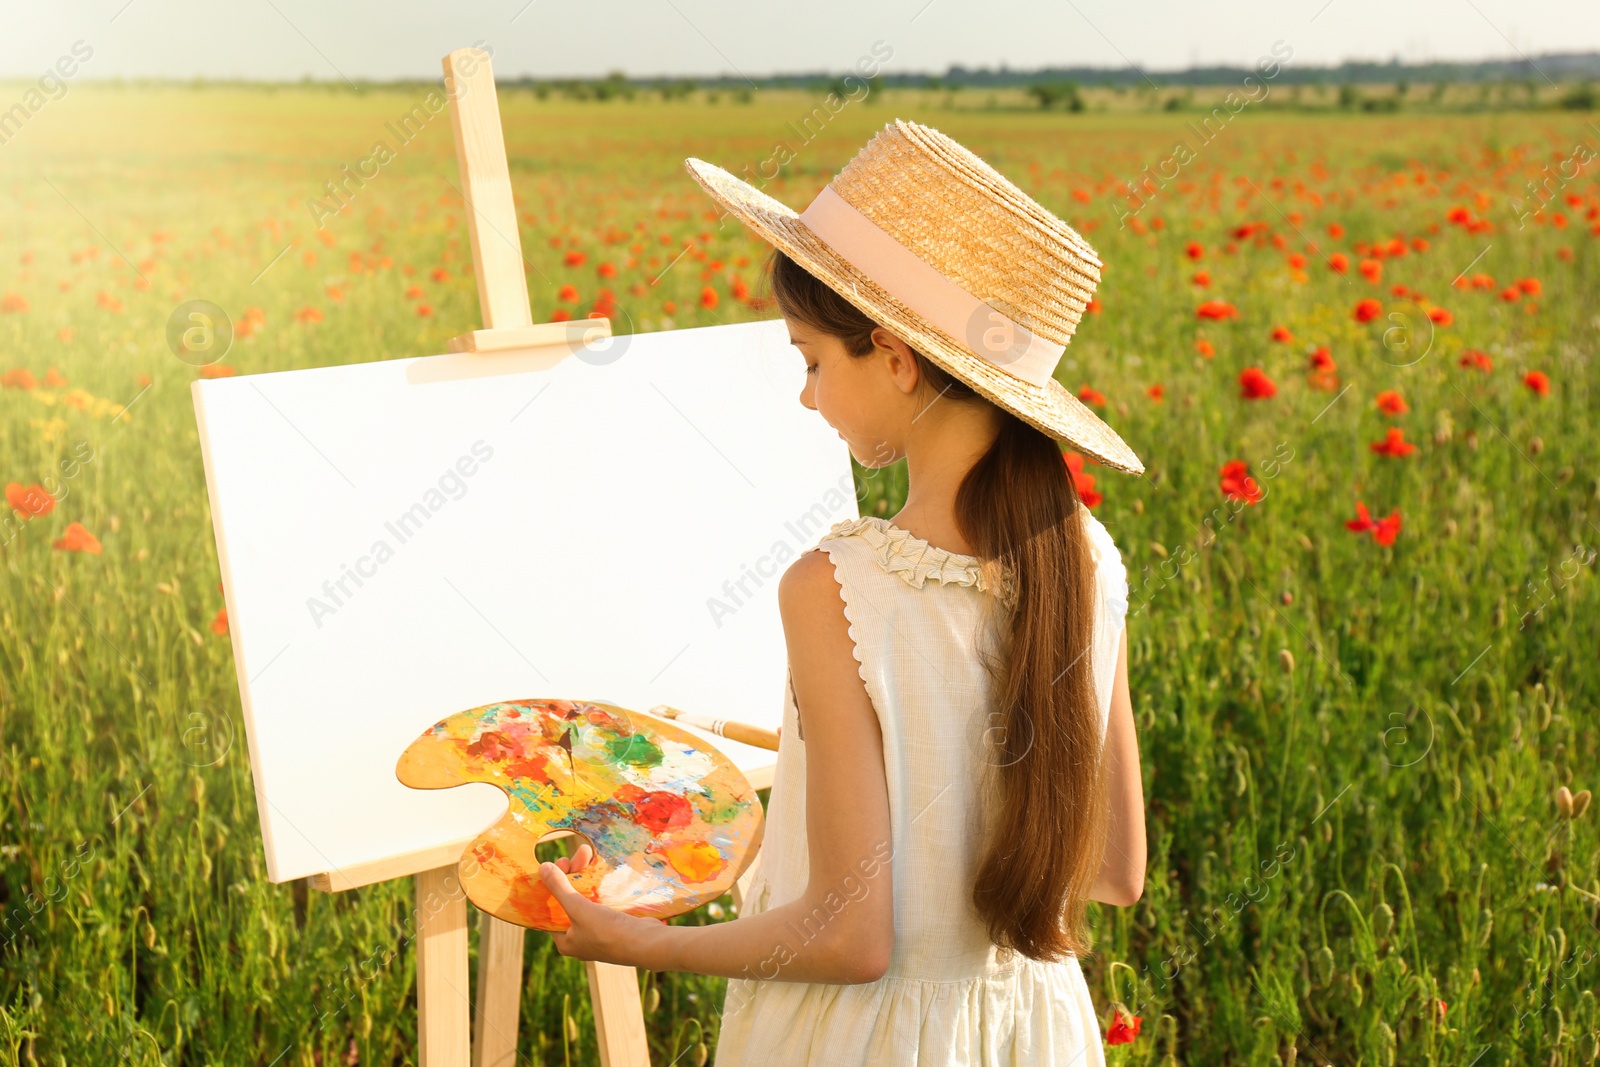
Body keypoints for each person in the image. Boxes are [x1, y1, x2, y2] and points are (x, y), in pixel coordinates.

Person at [537, 119, 1148, 1066]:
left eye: (813, 361)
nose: (806, 395)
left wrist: (642, 943)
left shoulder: (841, 587)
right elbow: (1115, 868)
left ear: (896, 357)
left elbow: (851, 937)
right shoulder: (1089, 558)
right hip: (1038, 1033)